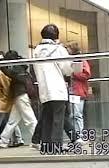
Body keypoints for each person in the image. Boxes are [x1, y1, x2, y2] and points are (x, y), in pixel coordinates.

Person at [31, 24, 73, 152]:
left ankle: (47, 146)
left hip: (44, 89)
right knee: (58, 119)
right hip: (57, 88)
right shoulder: (59, 49)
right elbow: (66, 69)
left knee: (47, 118)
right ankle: (56, 146)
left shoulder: (36, 51)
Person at [0, 50, 38, 148]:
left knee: (29, 119)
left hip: (21, 95)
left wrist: (2, 64)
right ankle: (4, 140)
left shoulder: (18, 68)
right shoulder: (21, 66)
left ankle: (38, 140)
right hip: (20, 95)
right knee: (13, 121)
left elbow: (10, 74)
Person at [66, 42, 91, 137]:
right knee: (72, 114)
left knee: (77, 114)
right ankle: (75, 135)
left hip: (78, 91)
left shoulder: (82, 61)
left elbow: (86, 75)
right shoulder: (68, 61)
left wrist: (74, 74)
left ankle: (79, 134)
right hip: (72, 91)